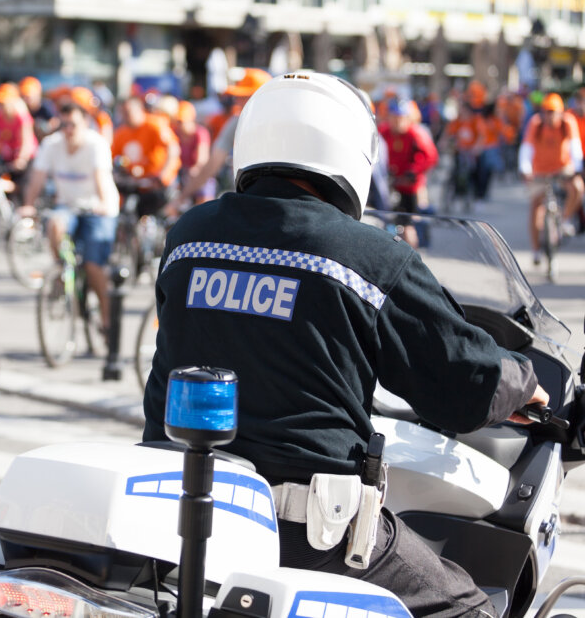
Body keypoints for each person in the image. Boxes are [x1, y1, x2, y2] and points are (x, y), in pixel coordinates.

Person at [143, 72, 547, 618]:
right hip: (307, 534)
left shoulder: (188, 237)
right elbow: (462, 380)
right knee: (468, 609)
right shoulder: (367, 257)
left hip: (179, 516)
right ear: (352, 152)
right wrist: (524, 385)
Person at [20, 101, 120, 332]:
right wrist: (28, 206)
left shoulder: (96, 144)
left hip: (98, 209)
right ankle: (62, 271)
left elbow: (101, 177)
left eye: (73, 124)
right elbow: (37, 178)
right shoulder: (52, 144)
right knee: (55, 224)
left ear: (85, 123)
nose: (68, 130)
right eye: (63, 125)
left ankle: (107, 321)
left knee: (94, 265)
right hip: (68, 206)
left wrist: (102, 203)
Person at [166, 68, 271, 212]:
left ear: (264, 97)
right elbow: (212, 165)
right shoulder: (237, 121)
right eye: (238, 97)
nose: (237, 102)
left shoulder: (283, 125)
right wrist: (182, 197)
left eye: (244, 96)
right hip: (250, 201)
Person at [518, 92, 585, 264]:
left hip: (562, 168)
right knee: (536, 206)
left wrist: (577, 168)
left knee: (577, 187)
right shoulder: (536, 123)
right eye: (546, 112)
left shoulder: (567, 122)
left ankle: (565, 220)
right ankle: (536, 251)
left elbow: (575, 147)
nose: (549, 116)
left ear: (560, 112)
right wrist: (525, 169)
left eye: (553, 112)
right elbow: (526, 147)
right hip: (539, 170)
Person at [380, 97, 438, 246]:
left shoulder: (415, 133)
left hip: (409, 186)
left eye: (401, 118)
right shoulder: (383, 131)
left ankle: (412, 252)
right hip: (389, 185)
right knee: (383, 222)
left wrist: (413, 170)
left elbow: (430, 156)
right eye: (394, 117)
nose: (397, 122)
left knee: (409, 225)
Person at [111, 95, 180, 217]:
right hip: (134, 183)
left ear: (140, 109)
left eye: (128, 112)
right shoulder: (121, 133)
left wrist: (164, 174)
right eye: (122, 113)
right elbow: (115, 158)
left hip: (156, 183)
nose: (125, 116)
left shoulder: (155, 124)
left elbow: (173, 149)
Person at [0, 82, 38, 194]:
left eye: (3, 103)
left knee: (24, 187)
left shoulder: (22, 118)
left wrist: (21, 159)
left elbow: (27, 143)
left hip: (25, 158)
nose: (0, 106)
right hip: (8, 157)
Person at [171, 100, 213, 207]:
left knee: (204, 195)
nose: (179, 125)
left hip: (197, 173)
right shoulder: (175, 133)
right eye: (178, 122)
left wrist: (194, 169)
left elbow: (202, 160)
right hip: (181, 173)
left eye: (181, 122)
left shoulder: (200, 133)